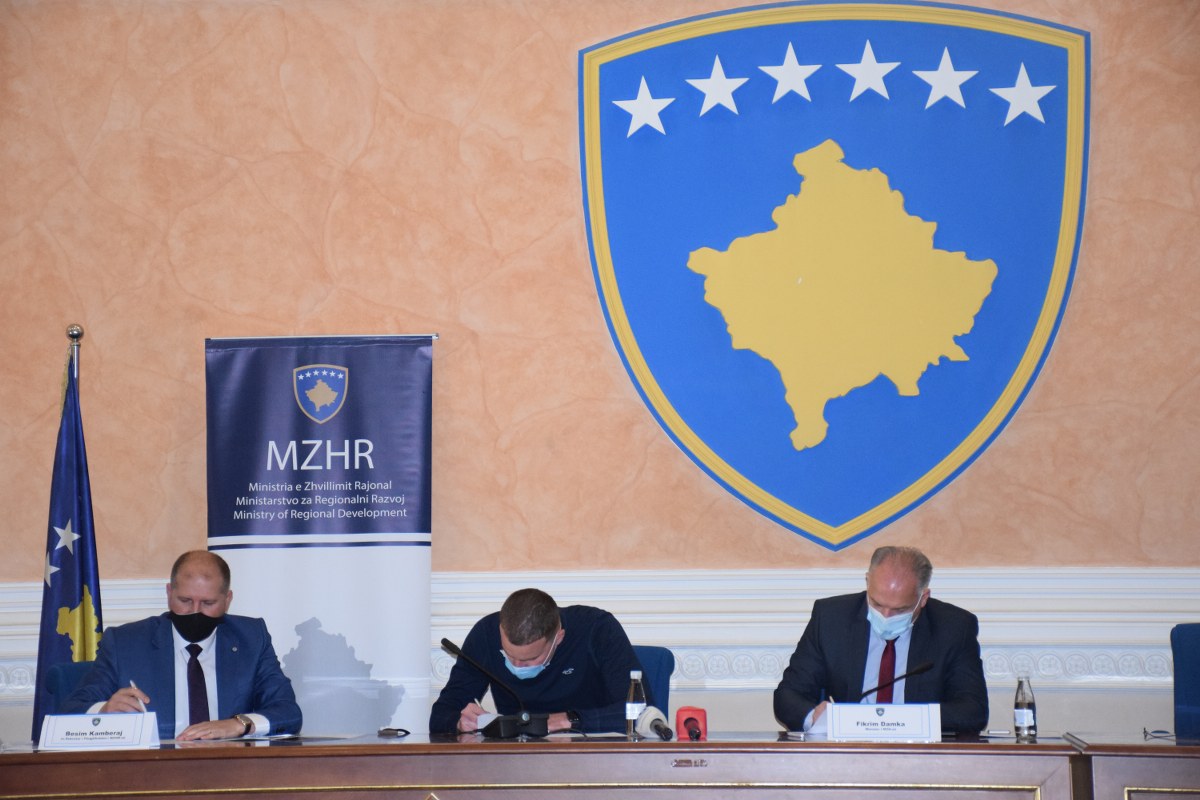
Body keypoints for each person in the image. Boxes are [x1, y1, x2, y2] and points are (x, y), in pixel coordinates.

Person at [61, 550, 302, 741]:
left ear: (227, 600)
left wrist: (239, 724)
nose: (195, 611)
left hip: (230, 771)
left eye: (208, 603)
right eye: (185, 600)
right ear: (169, 593)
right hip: (151, 772)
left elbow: (288, 712)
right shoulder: (125, 643)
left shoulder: (251, 639)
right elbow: (70, 709)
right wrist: (104, 710)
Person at [774, 545, 988, 734]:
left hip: (921, 753)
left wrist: (901, 721)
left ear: (923, 598)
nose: (885, 616)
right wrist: (815, 717)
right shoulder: (831, 619)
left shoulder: (954, 627)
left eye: (899, 610)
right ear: (868, 582)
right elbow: (788, 695)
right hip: (847, 751)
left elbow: (973, 711)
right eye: (876, 604)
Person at [430, 588, 643, 734]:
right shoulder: (485, 634)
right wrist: (458, 721)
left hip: (593, 753)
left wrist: (567, 720)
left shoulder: (597, 629)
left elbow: (640, 711)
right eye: (508, 655)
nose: (517, 666)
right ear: (500, 631)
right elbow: (441, 714)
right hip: (518, 758)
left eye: (531, 659)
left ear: (558, 638)